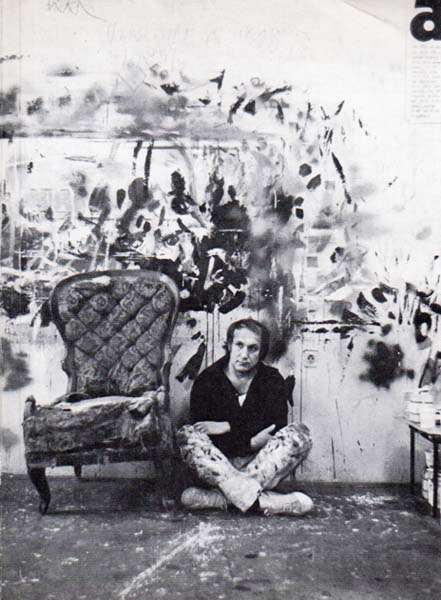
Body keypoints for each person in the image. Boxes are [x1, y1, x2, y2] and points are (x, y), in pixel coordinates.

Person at [176, 318, 313, 515]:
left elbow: (276, 427)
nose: (244, 355)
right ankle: (262, 502)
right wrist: (250, 441)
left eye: (253, 348)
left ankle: (223, 499)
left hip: (262, 464)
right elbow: (205, 436)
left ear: (261, 351)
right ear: (229, 346)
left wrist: (227, 426)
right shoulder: (207, 380)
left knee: (300, 435)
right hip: (221, 466)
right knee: (187, 436)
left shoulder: (271, 379)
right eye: (239, 345)